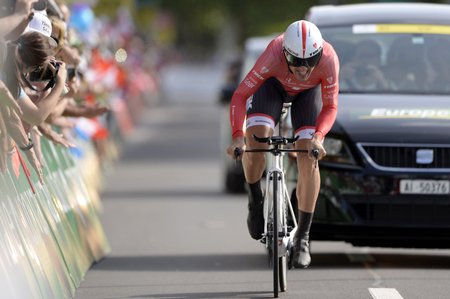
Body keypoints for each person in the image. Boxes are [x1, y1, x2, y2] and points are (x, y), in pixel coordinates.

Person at [226, 20, 339, 268]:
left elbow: (330, 106)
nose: (303, 68)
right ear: (286, 53)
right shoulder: (274, 53)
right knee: (257, 138)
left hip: (307, 96)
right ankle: (255, 198)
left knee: (309, 155)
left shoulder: (329, 59)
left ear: (319, 53)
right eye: (297, 61)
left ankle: (303, 237)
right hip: (272, 88)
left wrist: (318, 138)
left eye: (310, 61)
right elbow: (240, 95)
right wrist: (237, 135)